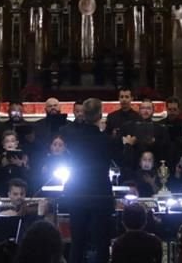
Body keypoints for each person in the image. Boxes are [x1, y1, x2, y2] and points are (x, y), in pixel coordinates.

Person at [65, 97, 114, 263]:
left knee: (77, 242)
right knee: (102, 243)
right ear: (100, 115)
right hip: (100, 193)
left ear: (83, 114)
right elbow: (121, 160)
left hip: (77, 192)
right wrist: (128, 145)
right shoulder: (106, 140)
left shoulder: (72, 137)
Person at [0, 130, 31, 197]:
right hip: (3, 190)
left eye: (12, 141)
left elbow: (28, 178)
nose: (10, 143)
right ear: (3, 145)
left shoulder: (23, 157)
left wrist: (20, 165)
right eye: (7, 141)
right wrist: (3, 167)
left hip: (19, 190)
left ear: (16, 143)